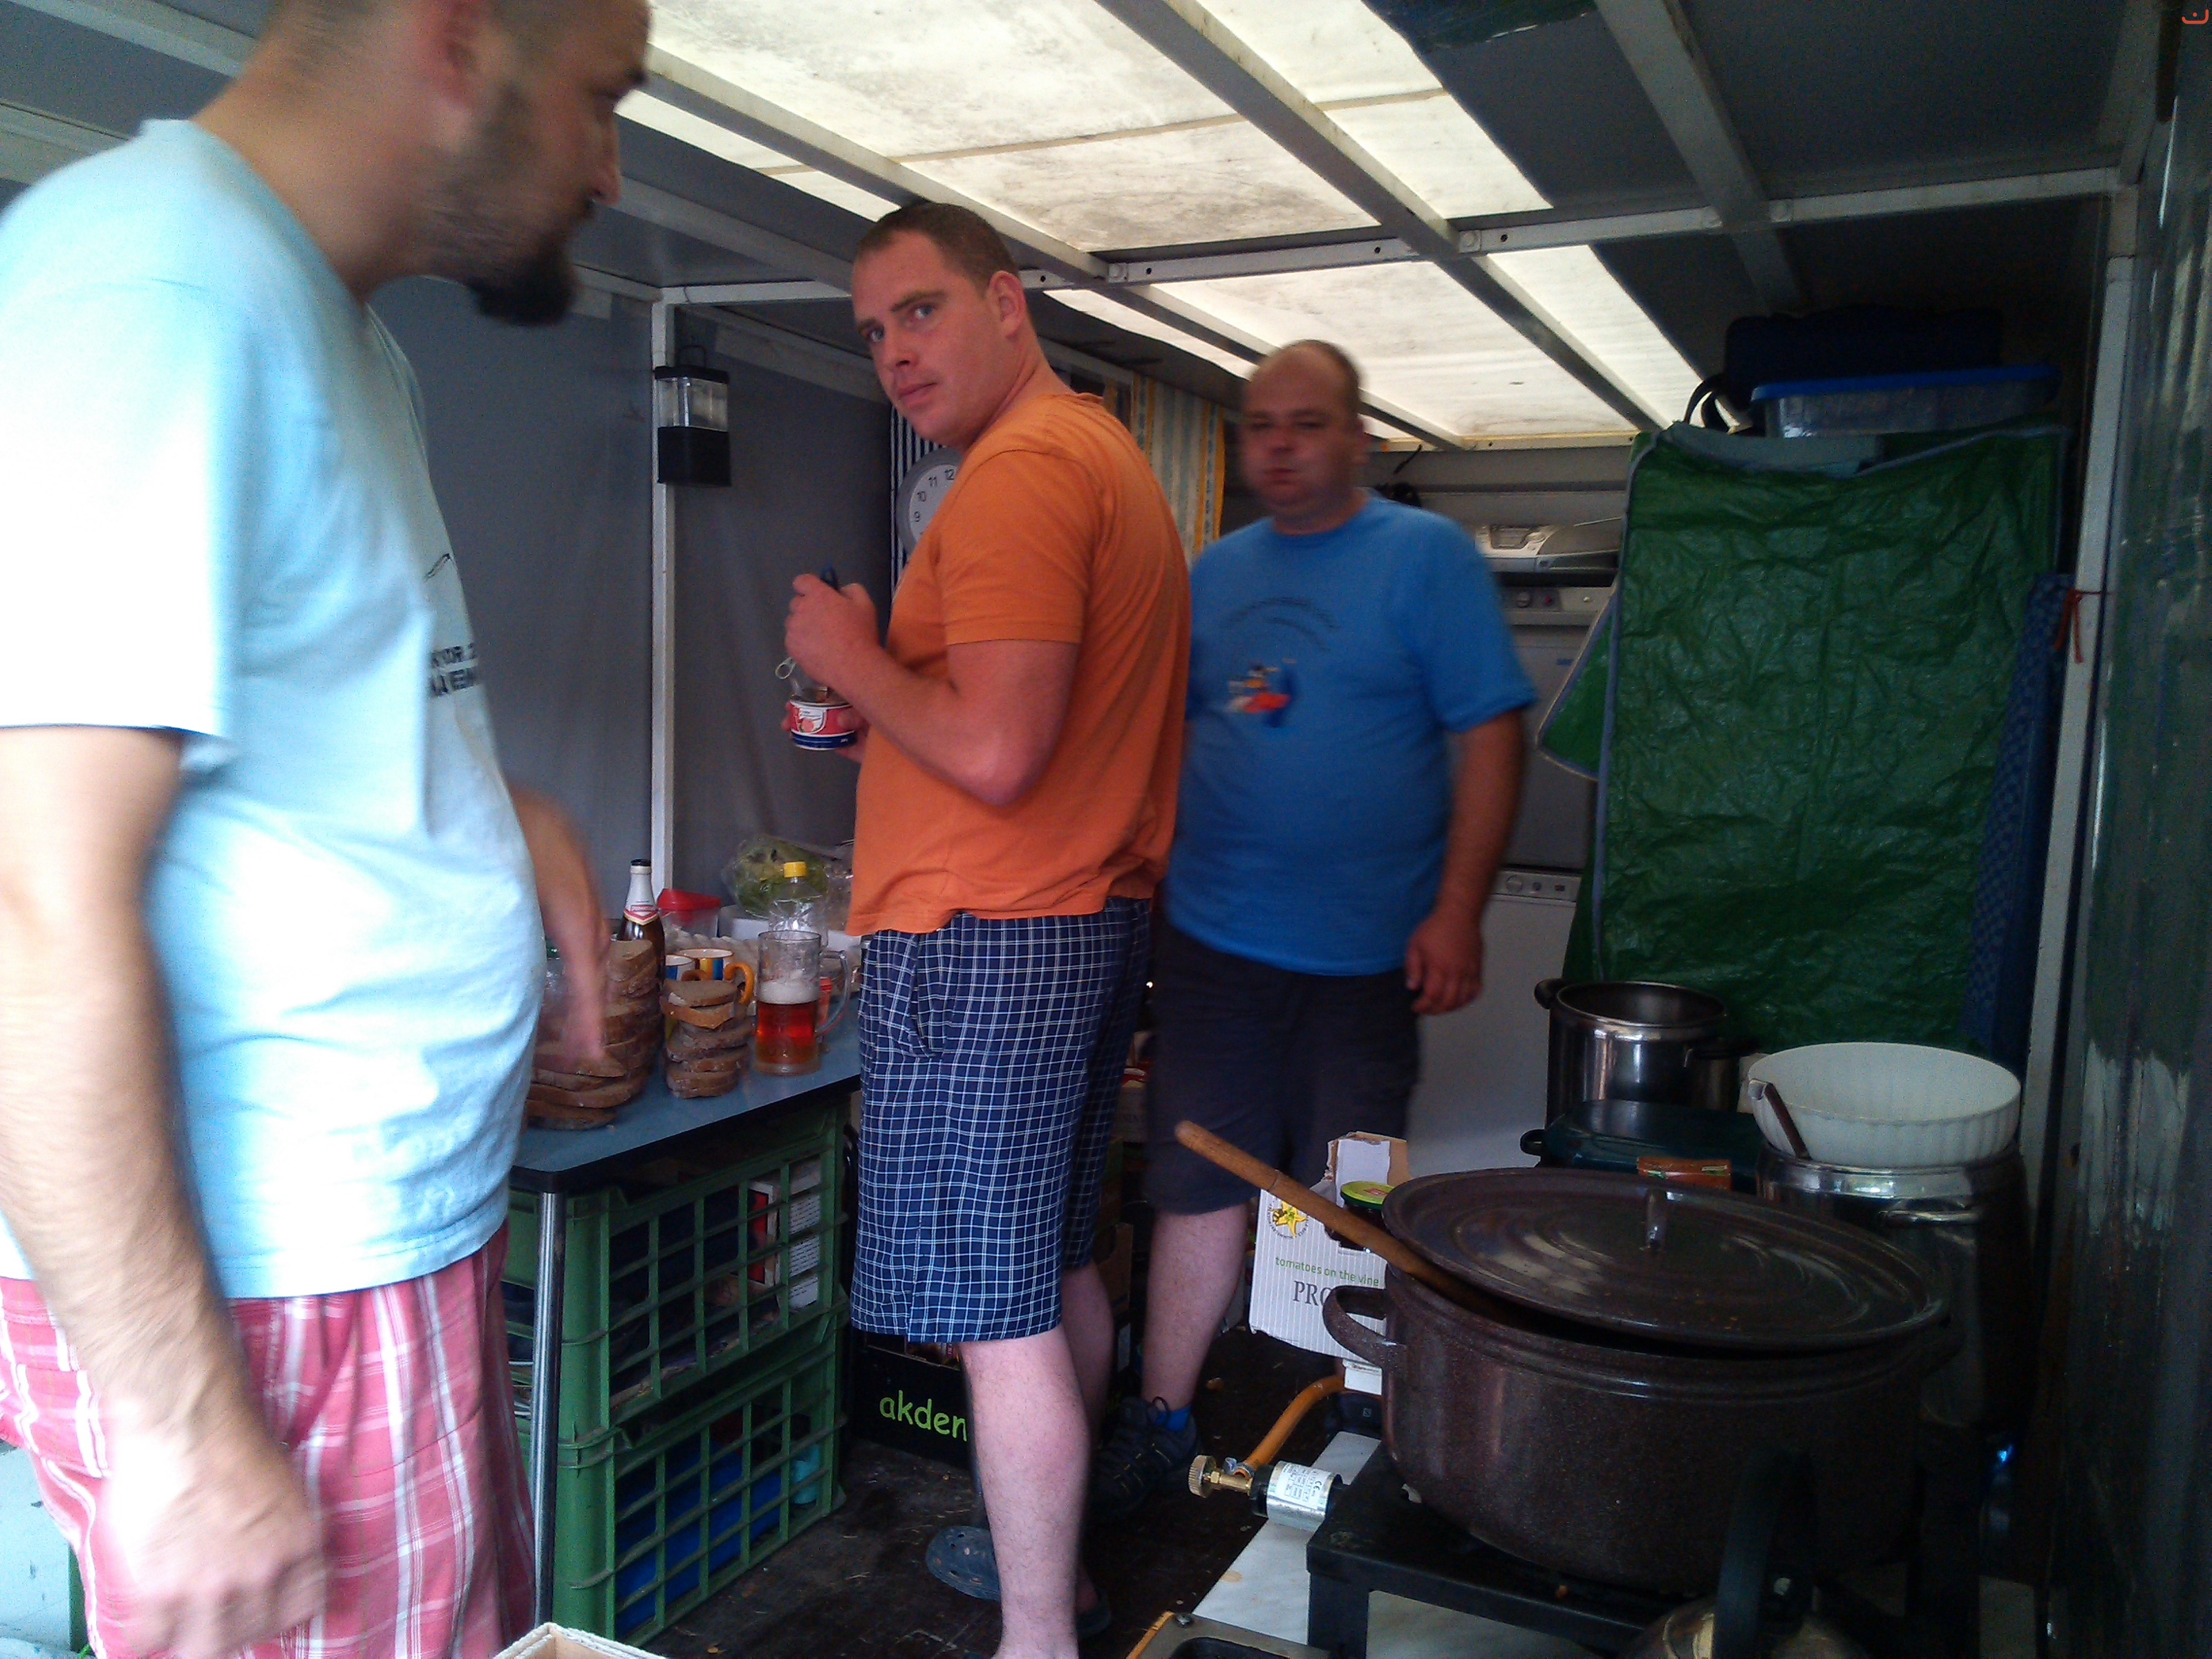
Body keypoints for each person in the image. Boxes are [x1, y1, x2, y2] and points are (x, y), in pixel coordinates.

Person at [0, 0, 647, 1651]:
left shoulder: (330, 330)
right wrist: (176, 1429)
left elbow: (294, 724)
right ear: (460, 41)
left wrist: (504, 817)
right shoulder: (157, 289)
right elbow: (26, 897)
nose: (610, 169)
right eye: (600, 99)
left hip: (368, 1256)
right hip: (268, 1305)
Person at [782, 201, 1190, 1659]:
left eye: (921, 310)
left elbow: (1003, 752)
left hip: (987, 936)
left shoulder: (1019, 475)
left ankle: (1035, 1638)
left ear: (1007, 301)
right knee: (1058, 1267)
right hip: (1077, 922)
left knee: (994, 1308)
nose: (894, 352)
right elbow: (1003, 726)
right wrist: (885, 706)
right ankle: (1059, 1581)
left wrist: (846, 657)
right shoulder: (1103, 459)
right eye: (871, 332)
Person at [1090, 341, 1535, 1517]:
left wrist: (1459, 910)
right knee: (1195, 1181)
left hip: (1363, 962)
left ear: (1361, 439)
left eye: (1308, 423)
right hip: (1214, 950)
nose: (1280, 446)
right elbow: (1175, 735)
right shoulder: (1218, 574)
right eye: (1262, 426)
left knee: (1351, 1205)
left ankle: (1359, 1441)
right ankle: (1163, 1422)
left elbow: (1493, 737)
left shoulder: (1425, 560)